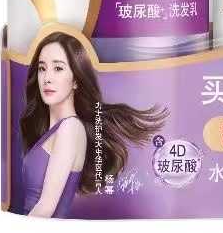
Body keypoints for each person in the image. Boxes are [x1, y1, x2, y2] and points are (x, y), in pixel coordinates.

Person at [19, 31, 167, 217]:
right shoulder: (54, 131)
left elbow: (47, 207)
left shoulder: (70, 128)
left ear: (76, 80)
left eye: (58, 68)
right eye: (42, 68)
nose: (47, 77)